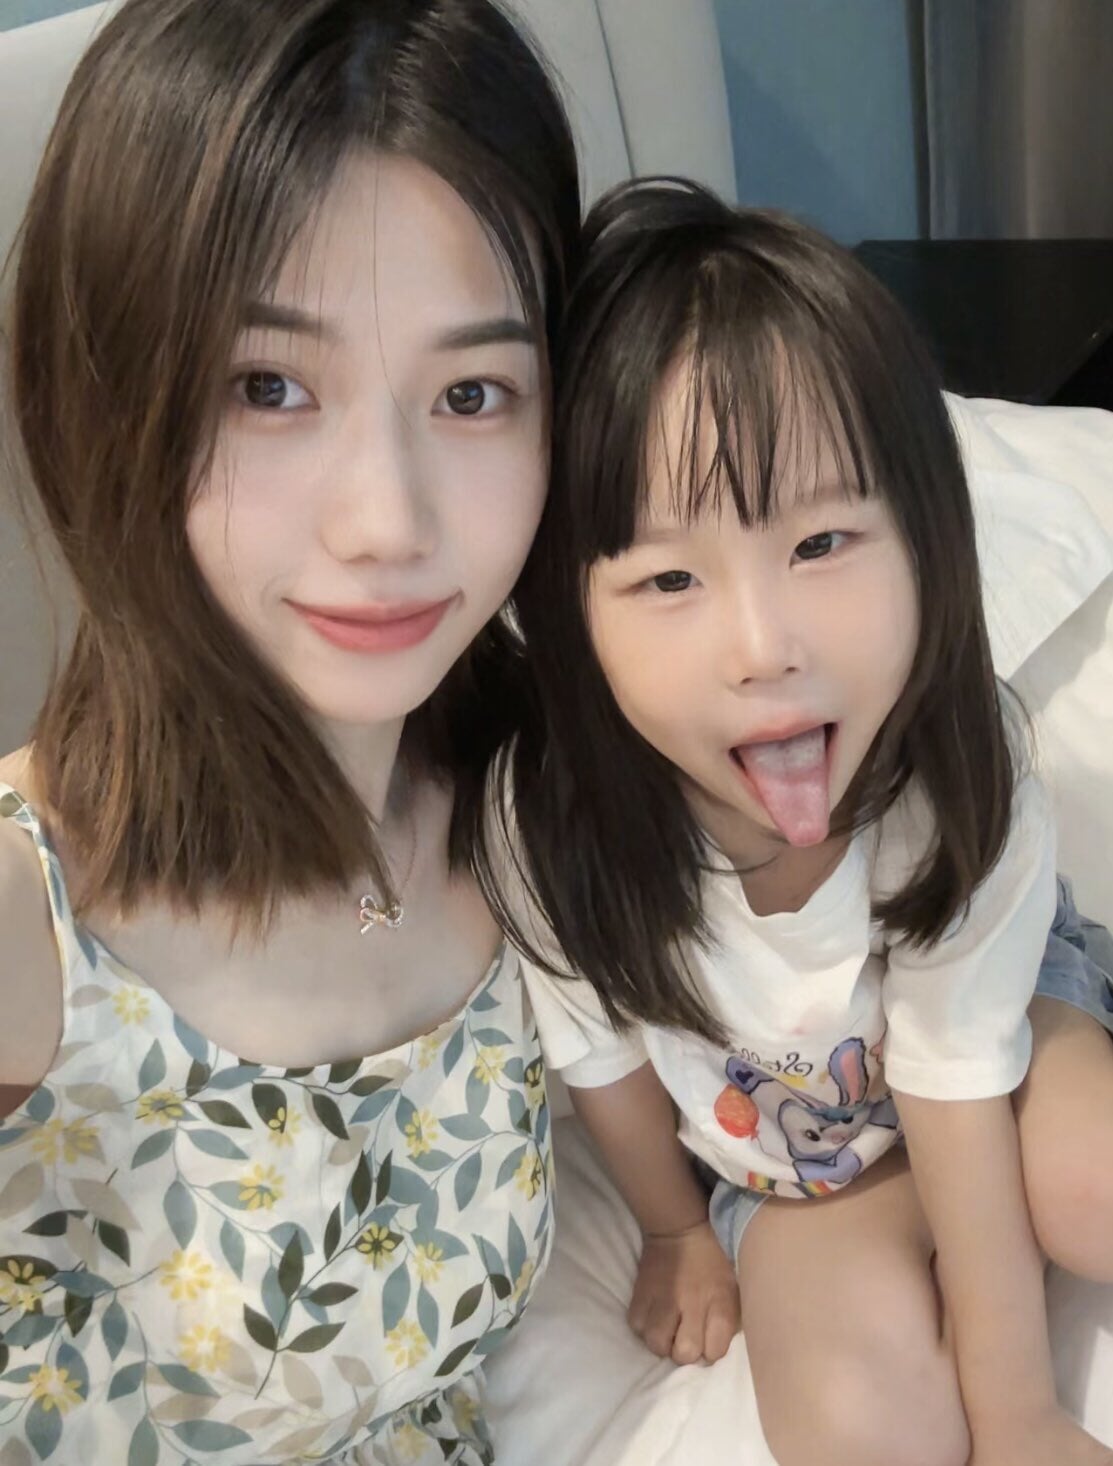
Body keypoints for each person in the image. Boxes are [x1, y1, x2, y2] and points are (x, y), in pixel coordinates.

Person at [0, 1, 580, 1461]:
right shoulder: (29, 919)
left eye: (472, 394)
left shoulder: (533, 806)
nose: (385, 520)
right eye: (268, 388)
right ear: (105, 395)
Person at [485, 179, 1113, 1466]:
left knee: (1092, 1184)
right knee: (858, 1430)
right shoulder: (550, 821)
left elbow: (958, 1080)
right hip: (793, 1158)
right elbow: (602, 1062)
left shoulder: (952, 770)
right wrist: (674, 1230)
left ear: (928, 536)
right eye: (669, 577)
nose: (765, 648)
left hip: (996, 1042)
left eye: (823, 542)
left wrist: (1018, 1414)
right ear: (567, 613)